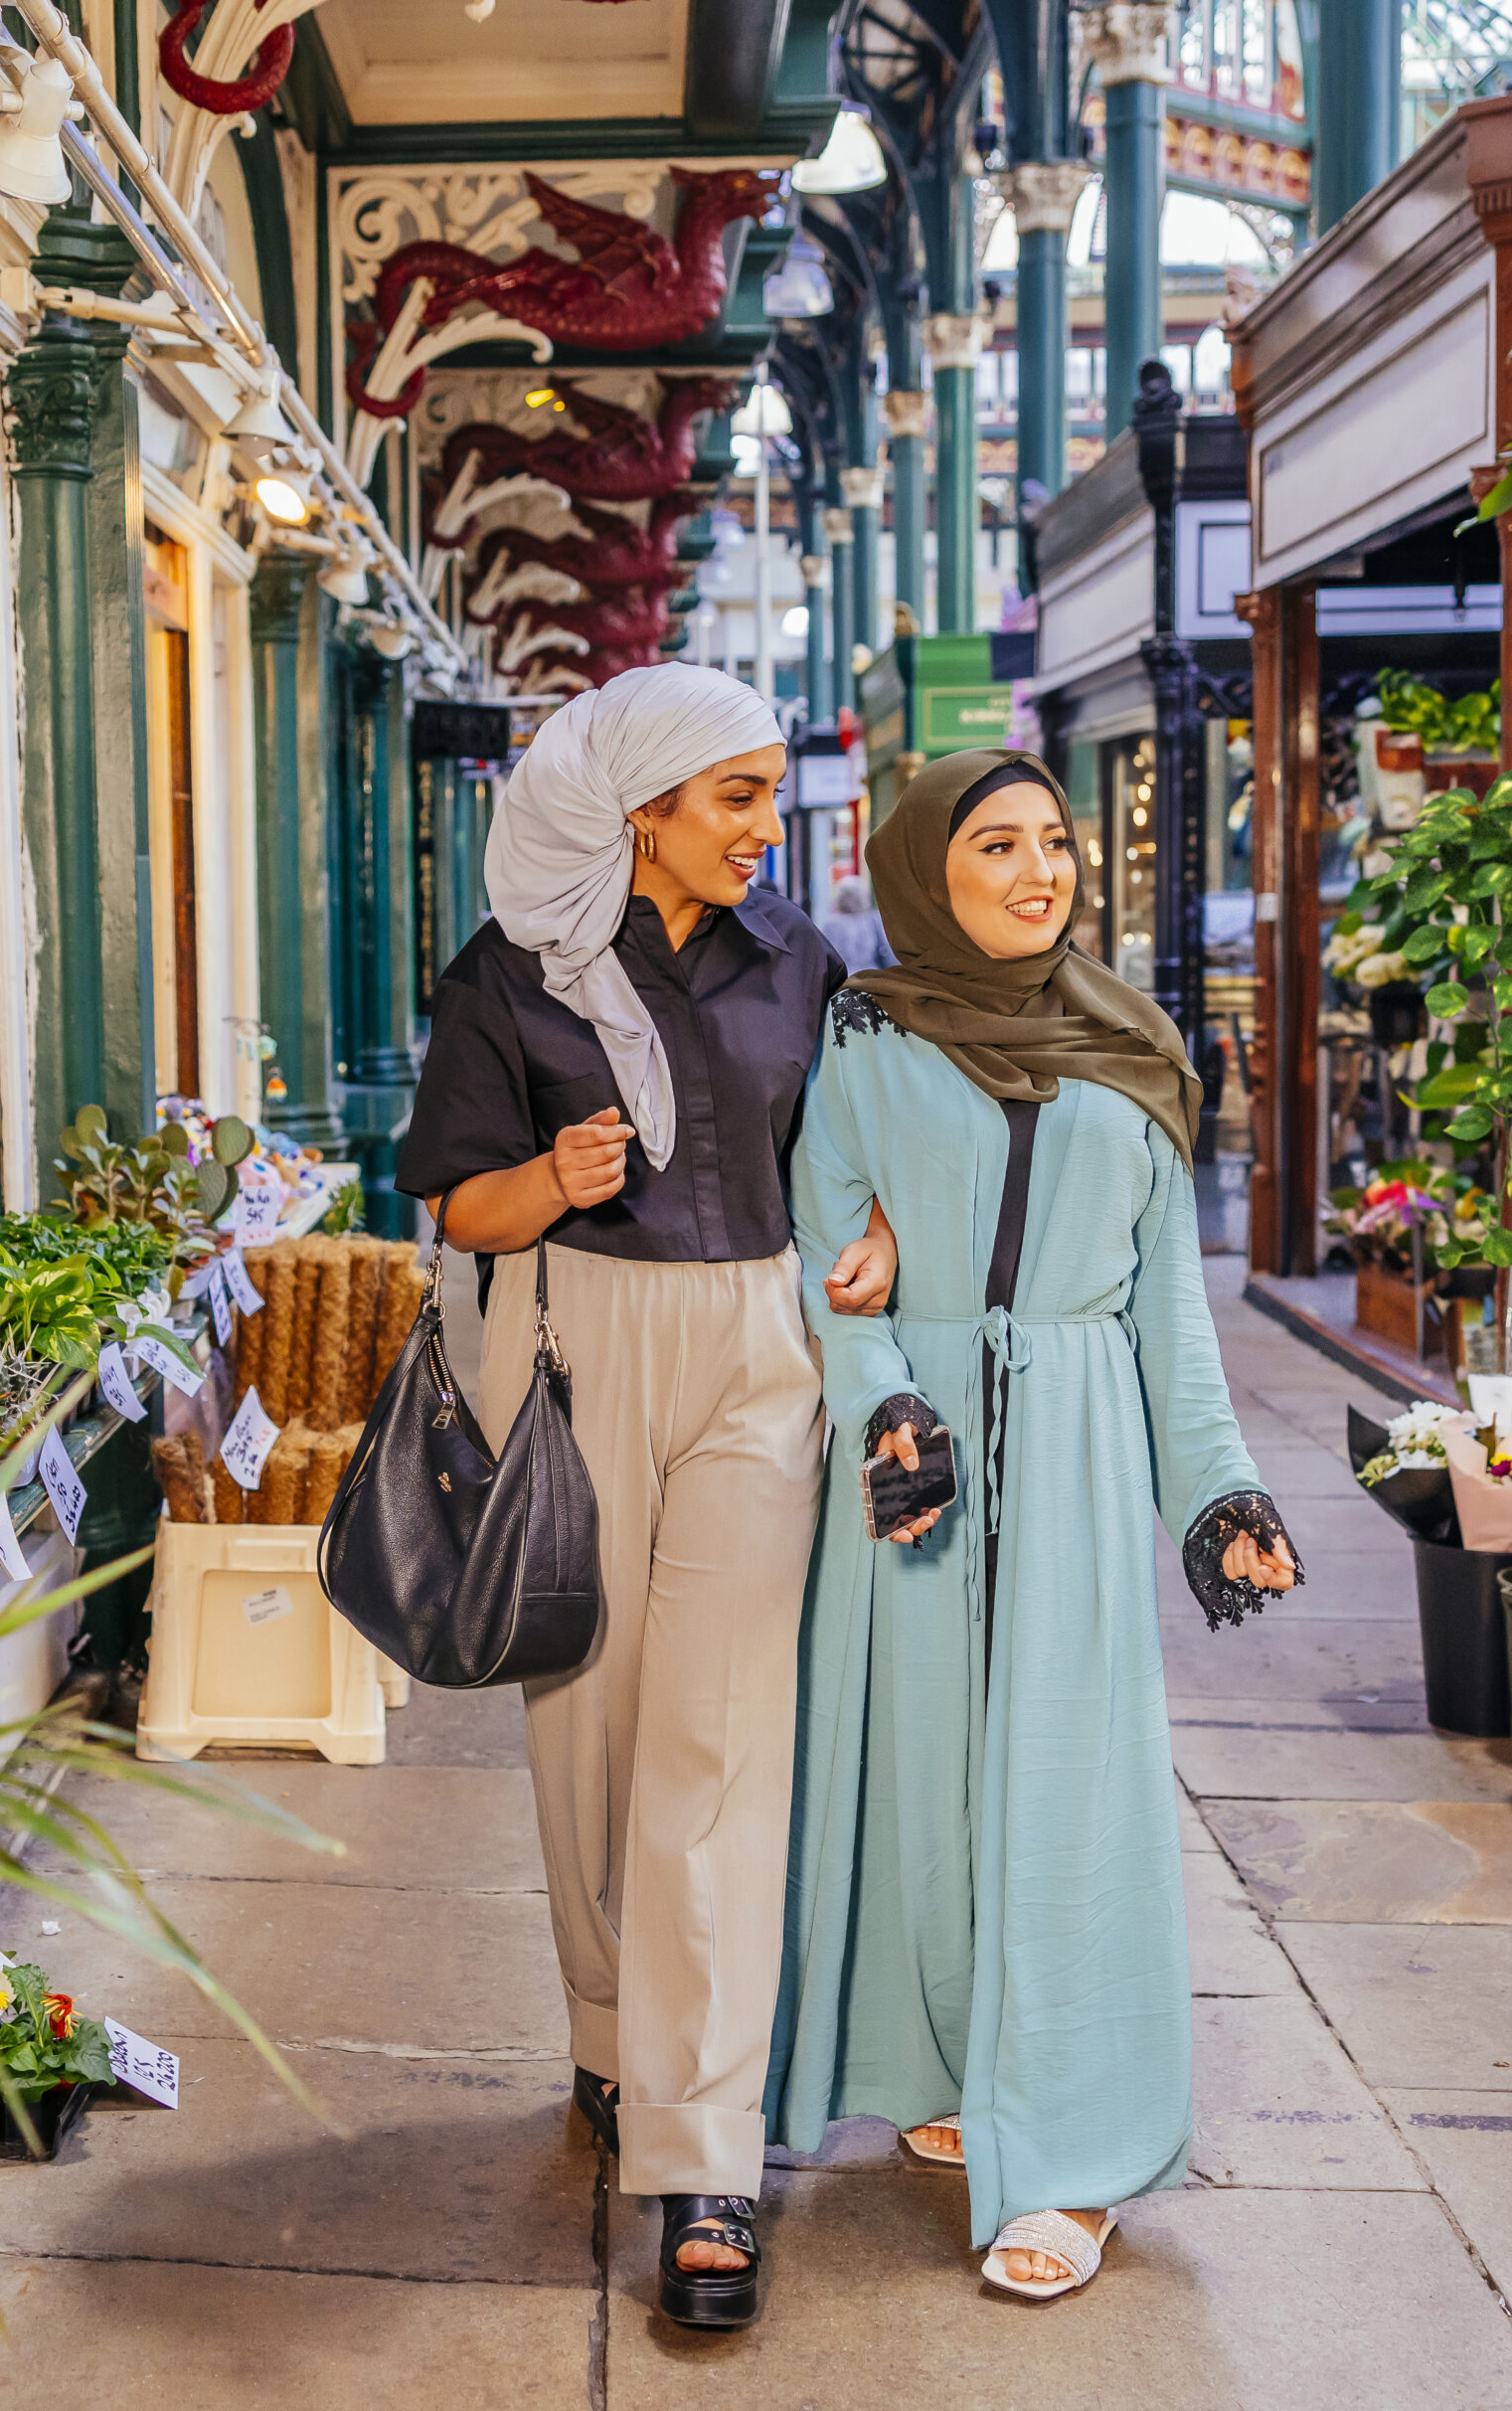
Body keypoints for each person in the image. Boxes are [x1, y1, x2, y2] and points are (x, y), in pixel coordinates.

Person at [396, 663, 899, 2332]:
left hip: (762, 1347)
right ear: (642, 813)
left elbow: (853, 1156)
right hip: (573, 1344)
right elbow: (461, 1210)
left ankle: (705, 2160)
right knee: (588, 1733)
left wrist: (877, 1231)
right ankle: (612, 2036)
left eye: (769, 793)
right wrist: (548, 1178)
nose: (769, 824)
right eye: (737, 796)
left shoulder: (806, 964)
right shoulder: (508, 977)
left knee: (721, 1746)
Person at [771, 748, 1301, 2303]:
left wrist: (1216, 1495)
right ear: (926, 868)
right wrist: (882, 1397)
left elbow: (1167, 1314)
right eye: (995, 844)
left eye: (1055, 842)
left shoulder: (1130, 1044)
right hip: (918, 1461)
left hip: (1071, 1454)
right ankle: (953, 2068)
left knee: (1066, 1804)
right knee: (926, 1795)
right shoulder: (867, 1035)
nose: (1036, 870)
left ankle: (1068, 2157)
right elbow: (827, 1254)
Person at [815, 871, 894, 971]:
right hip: (871, 978)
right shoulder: (874, 920)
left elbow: (826, 959)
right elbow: (887, 953)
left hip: (843, 980)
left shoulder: (831, 925)